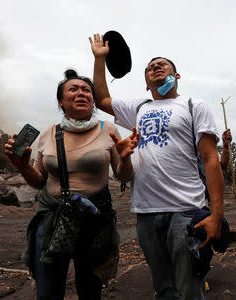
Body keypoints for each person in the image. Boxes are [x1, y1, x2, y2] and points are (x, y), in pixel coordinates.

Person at [90, 33, 224, 299]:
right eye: (150, 68)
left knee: (189, 289)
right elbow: (102, 100)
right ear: (146, 83)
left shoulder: (193, 105)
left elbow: (210, 159)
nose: (156, 67)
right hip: (146, 213)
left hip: (185, 210)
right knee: (163, 289)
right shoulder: (139, 107)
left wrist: (216, 216)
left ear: (177, 76)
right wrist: (99, 60)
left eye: (162, 64)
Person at [4, 69, 139, 300]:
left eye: (86, 90)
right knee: (47, 291)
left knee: (90, 290)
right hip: (52, 219)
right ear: (61, 101)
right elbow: (39, 181)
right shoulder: (49, 133)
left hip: (94, 220)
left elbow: (123, 177)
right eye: (73, 89)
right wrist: (24, 166)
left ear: (93, 100)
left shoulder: (109, 130)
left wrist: (125, 158)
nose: (81, 93)